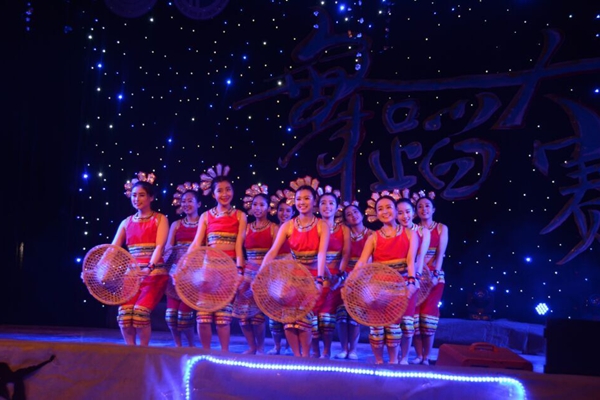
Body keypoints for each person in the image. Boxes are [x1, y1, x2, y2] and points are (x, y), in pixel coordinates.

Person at [260, 179, 329, 357]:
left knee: (304, 320)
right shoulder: (288, 225)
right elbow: (273, 251)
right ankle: (297, 357)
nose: (302, 202)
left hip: (312, 275)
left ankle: (305, 356)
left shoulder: (322, 225)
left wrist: (319, 279)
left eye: (306, 198)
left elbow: (322, 254)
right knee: (289, 319)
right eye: (298, 199)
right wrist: (260, 273)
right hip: (293, 276)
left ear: (314, 201)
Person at [188, 166, 247, 351]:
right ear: (213, 194)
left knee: (223, 318)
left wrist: (239, 271)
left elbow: (239, 247)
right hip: (208, 272)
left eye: (228, 189)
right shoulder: (206, 216)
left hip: (228, 272)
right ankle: (206, 353)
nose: (224, 194)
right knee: (203, 317)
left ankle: (224, 354)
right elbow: (197, 243)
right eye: (220, 190)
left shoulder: (240, 216)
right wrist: (183, 265)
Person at [356, 194, 418, 364]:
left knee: (396, 328)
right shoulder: (373, 237)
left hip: (401, 286)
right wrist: (352, 281)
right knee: (376, 329)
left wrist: (411, 281)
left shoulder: (410, 234)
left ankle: (394, 362)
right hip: (378, 289)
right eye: (380, 209)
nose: (385, 211)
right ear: (376, 214)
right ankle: (378, 362)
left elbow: (411, 261)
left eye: (388, 207)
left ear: (396, 211)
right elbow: (362, 262)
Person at [113, 172, 169, 346]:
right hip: (132, 276)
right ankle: (131, 350)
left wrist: (149, 267)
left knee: (140, 313)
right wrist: (95, 270)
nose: (137, 199)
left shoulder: (160, 219)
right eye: (134, 195)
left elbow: (159, 247)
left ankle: (143, 351)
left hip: (154, 274)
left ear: (151, 197)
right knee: (124, 315)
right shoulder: (126, 222)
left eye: (142, 195)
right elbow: (113, 249)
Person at [235, 186, 274, 354]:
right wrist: (240, 271)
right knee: (243, 314)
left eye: (262, 205)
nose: (258, 208)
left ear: (268, 208)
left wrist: (265, 274)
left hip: (264, 273)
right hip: (247, 272)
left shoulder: (274, 228)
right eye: (255, 204)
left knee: (257, 315)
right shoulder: (246, 227)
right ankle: (251, 346)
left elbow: (276, 253)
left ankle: (261, 347)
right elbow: (238, 248)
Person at [313, 188, 350, 358]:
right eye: (323, 203)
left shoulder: (343, 229)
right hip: (315, 275)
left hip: (335, 279)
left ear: (337, 207)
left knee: (327, 318)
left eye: (331, 203)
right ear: (317, 206)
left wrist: (339, 275)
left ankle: (326, 351)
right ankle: (314, 351)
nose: (327, 206)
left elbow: (346, 254)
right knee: (312, 317)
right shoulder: (313, 226)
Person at [412, 192, 448, 365]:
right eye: (420, 206)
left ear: (433, 209)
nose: (423, 209)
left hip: (434, 277)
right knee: (415, 317)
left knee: (428, 316)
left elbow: (440, 254)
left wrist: (434, 274)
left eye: (427, 206)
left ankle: (427, 356)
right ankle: (419, 355)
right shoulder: (413, 229)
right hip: (416, 276)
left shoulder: (441, 228)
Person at [164, 184, 201, 347]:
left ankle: (191, 345)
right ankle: (178, 346)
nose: (186, 204)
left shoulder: (204, 223)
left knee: (184, 316)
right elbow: (168, 248)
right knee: (170, 316)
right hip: (176, 273)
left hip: (194, 273)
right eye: (183, 201)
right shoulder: (176, 224)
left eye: (190, 201)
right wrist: (160, 265)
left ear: (199, 204)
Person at [335, 201, 372, 360]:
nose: (353, 216)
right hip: (344, 276)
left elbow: (371, 258)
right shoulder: (344, 235)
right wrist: (342, 276)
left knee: (355, 316)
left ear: (362, 214)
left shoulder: (371, 234)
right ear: (346, 220)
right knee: (342, 316)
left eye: (355, 212)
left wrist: (359, 278)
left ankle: (354, 349)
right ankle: (344, 348)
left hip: (364, 276)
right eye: (348, 214)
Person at [395, 196, 430, 365]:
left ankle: (405, 357)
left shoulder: (422, 232)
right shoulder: (392, 231)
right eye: (400, 213)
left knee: (409, 320)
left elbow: (420, 258)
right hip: (393, 280)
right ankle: (394, 356)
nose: (404, 216)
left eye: (407, 212)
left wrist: (415, 279)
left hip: (412, 278)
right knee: (394, 321)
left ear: (413, 213)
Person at [266, 194, 295, 355]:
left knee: (289, 310)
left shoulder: (295, 229)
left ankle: (290, 345)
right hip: (275, 271)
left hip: (291, 271)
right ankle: (277, 345)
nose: (284, 213)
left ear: (293, 212)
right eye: (281, 210)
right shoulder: (273, 228)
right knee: (274, 311)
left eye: (288, 210)